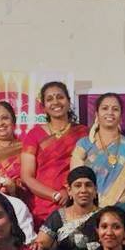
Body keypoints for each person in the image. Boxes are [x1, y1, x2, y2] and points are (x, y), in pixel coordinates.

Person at [20, 81, 89, 227]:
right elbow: (26, 176)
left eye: (60, 97)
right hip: (42, 205)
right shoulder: (34, 135)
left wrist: (68, 191)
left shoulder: (84, 133)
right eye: (50, 99)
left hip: (77, 201)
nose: (56, 102)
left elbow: (90, 170)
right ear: (43, 107)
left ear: (69, 102)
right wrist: (55, 195)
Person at [70, 92, 125, 214]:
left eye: (115, 109)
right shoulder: (84, 145)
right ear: (96, 114)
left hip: (123, 212)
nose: (110, 112)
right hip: (89, 211)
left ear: (121, 116)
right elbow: (76, 181)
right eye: (105, 108)